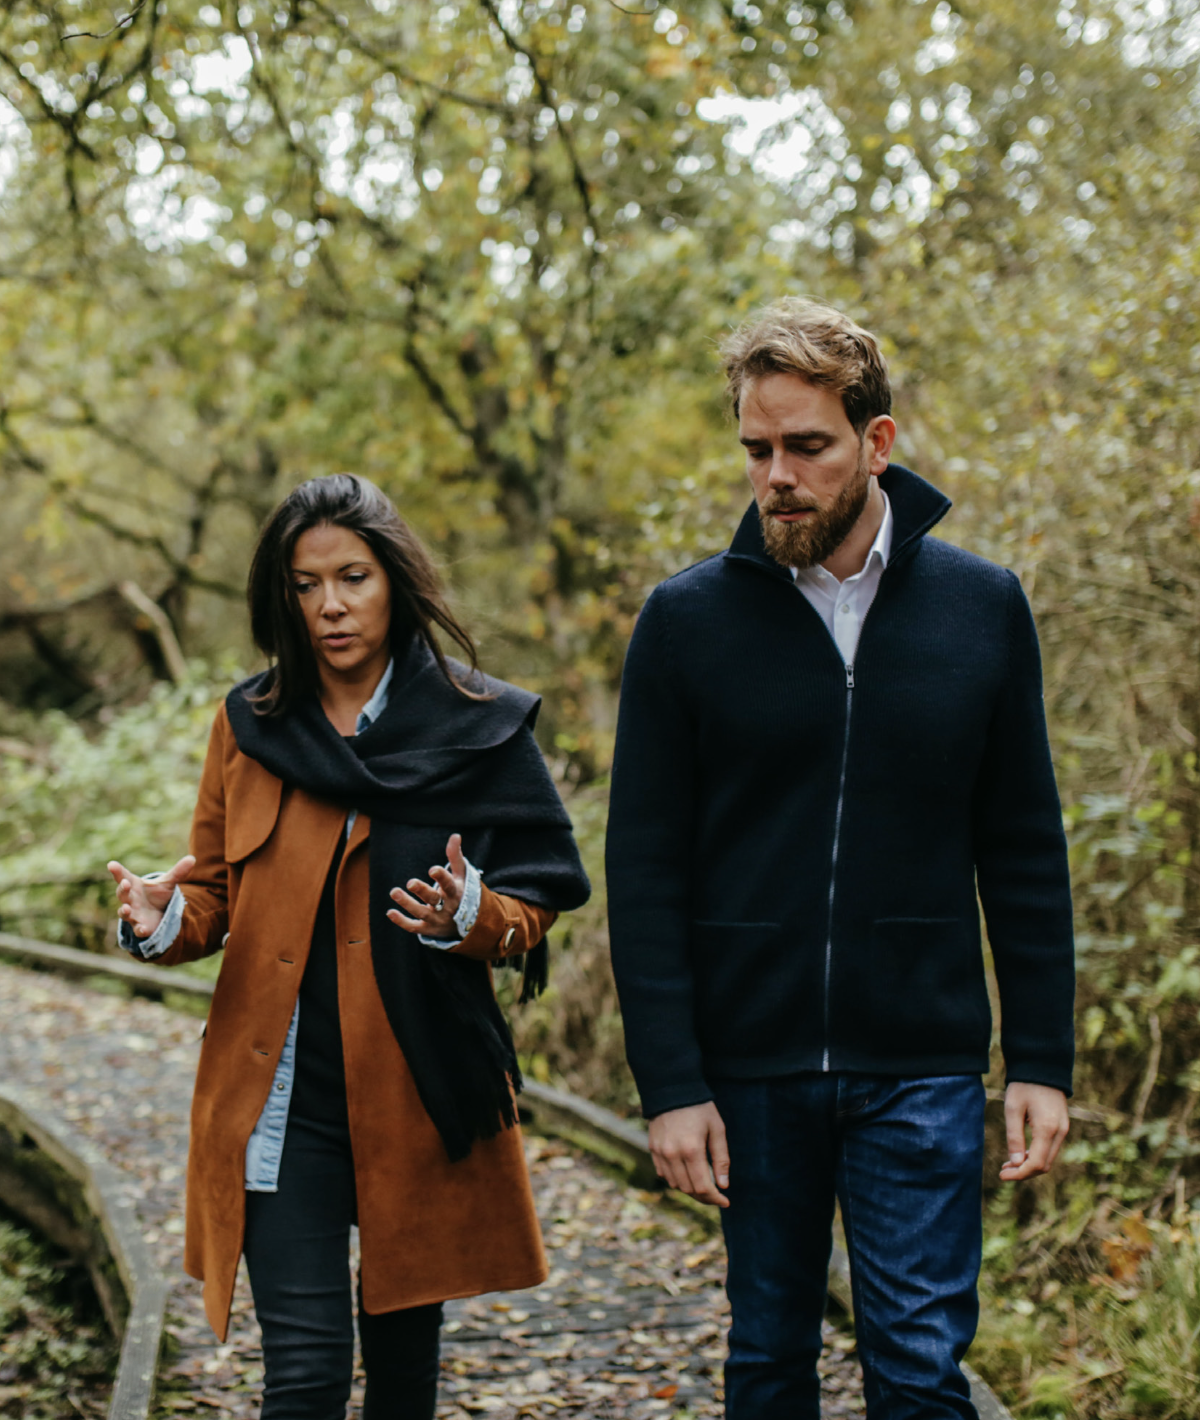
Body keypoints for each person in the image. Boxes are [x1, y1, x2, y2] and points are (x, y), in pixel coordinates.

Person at [605, 299, 1075, 1419]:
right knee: (768, 1357)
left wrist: (1043, 1061)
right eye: (756, 449)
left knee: (917, 1363)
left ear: (876, 443)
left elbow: (1023, 848)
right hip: (749, 1070)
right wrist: (670, 1084)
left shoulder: (982, 609)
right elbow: (646, 866)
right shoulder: (686, 622)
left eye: (806, 446)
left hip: (921, 1062)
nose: (777, 475)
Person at [106, 474, 590, 1420]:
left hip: (422, 1090)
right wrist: (161, 912)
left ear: (394, 581)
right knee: (306, 1378)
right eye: (305, 583)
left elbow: (537, 902)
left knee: (404, 1382)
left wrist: (470, 915)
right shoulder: (251, 725)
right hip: (280, 1100)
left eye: (353, 578)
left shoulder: (476, 721)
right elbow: (214, 892)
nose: (330, 605)